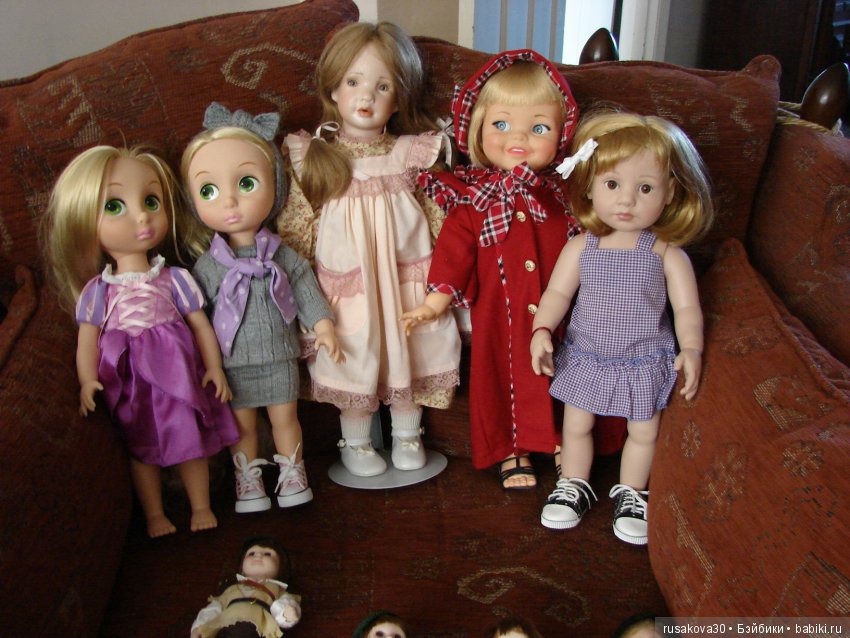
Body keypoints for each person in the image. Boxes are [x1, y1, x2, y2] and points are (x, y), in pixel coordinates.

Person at [279, 22, 461, 477]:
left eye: (383, 87)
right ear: (333, 90)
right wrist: (299, 289)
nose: (367, 96)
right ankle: (356, 443)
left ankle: (408, 433)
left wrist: (450, 277)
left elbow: (439, 219)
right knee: (352, 353)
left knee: (411, 351)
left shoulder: (412, 154)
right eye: (353, 82)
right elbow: (298, 228)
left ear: (398, 99)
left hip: (405, 282)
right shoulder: (315, 155)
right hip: (349, 285)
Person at [530, 110, 714, 544]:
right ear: (590, 186)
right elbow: (557, 294)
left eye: (645, 188)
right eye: (612, 184)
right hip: (588, 354)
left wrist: (691, 348)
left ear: (670, 193)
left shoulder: (665, 253)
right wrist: (542, 330)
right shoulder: (582, 246)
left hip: (643, 359)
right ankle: (573, 483)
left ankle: (632, 493)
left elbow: (688, 309)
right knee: (576, 425)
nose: (627, 201)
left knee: (643, 430)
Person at [400, 49, 581, 490]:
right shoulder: (473, 198)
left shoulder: (564, 195)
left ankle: (567, 441)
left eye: (538, 128)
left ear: (561, 135)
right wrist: (435, 301)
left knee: (569, 367)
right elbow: (454, 250)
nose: (518, 137)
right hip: (498, 315)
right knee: (500, 377)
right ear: (477, 129)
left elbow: (592, 242)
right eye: (501, 124)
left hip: (565, 311)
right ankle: (510, 447)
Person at [43, 145, 240, 538]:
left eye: (151, 201)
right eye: (115, 206)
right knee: (140, 448)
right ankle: (154, 514)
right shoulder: (98, 291)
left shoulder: (175, 279)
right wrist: (87, 380)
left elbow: (201, 326)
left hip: (178, 378)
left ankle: (201, 506)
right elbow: (87, 341)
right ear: (82, 221)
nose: (143, 216)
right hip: (130, 384)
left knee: (190, 441)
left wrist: (215, 367)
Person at [183, 103, 342, 513]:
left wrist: (323, 325)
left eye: (247, 183)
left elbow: (304, 285)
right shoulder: (210, 265)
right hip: (231, 363)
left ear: (276, 186)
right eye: (209, 191)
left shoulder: (279, 253)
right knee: (243, 425)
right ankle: (248, 481)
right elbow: (196, 315)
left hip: (279, 355)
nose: (230, 201)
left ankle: (293, 474)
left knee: (285, 418)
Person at [191, 535, 301, 638]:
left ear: (281, 566)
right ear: (241, 566)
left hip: (259, 630)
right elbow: (214, 609)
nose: (258, 555)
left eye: (267, 554)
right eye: (251, 554)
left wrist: (286, 615)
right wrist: (200, 627)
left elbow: (285, 605)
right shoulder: (231, 589)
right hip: (227, 628)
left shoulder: (276, 589)